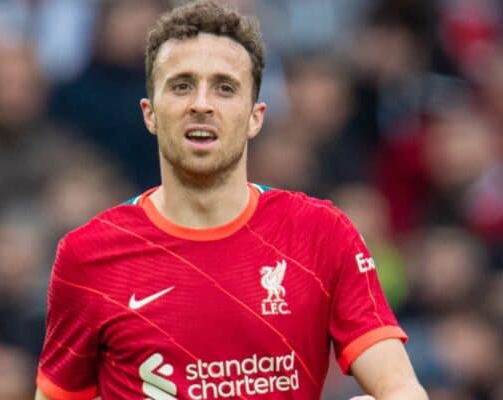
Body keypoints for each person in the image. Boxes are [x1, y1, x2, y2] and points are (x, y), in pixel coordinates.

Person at [35, 1, 428, 399]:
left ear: (255, 116)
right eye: (181, 85)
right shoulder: (89, 256)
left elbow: (401, 389)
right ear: (150, 113)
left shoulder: (321, 233)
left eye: (225, 87)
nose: (201, 104)